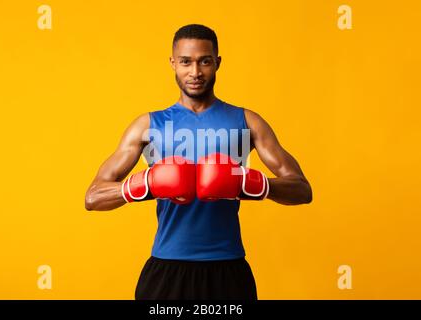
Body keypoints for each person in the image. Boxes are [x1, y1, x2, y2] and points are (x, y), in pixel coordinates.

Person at [85, 24, 312, 300]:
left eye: (204, 61)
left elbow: (302, 189)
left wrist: (249, 184)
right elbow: (93, 197)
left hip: (228, 271)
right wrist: (145, 185)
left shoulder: (247, 122)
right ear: (172, 63)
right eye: (185, 62)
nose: (195, 72)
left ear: (217, 63)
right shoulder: (148, 125)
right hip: (167, 270)